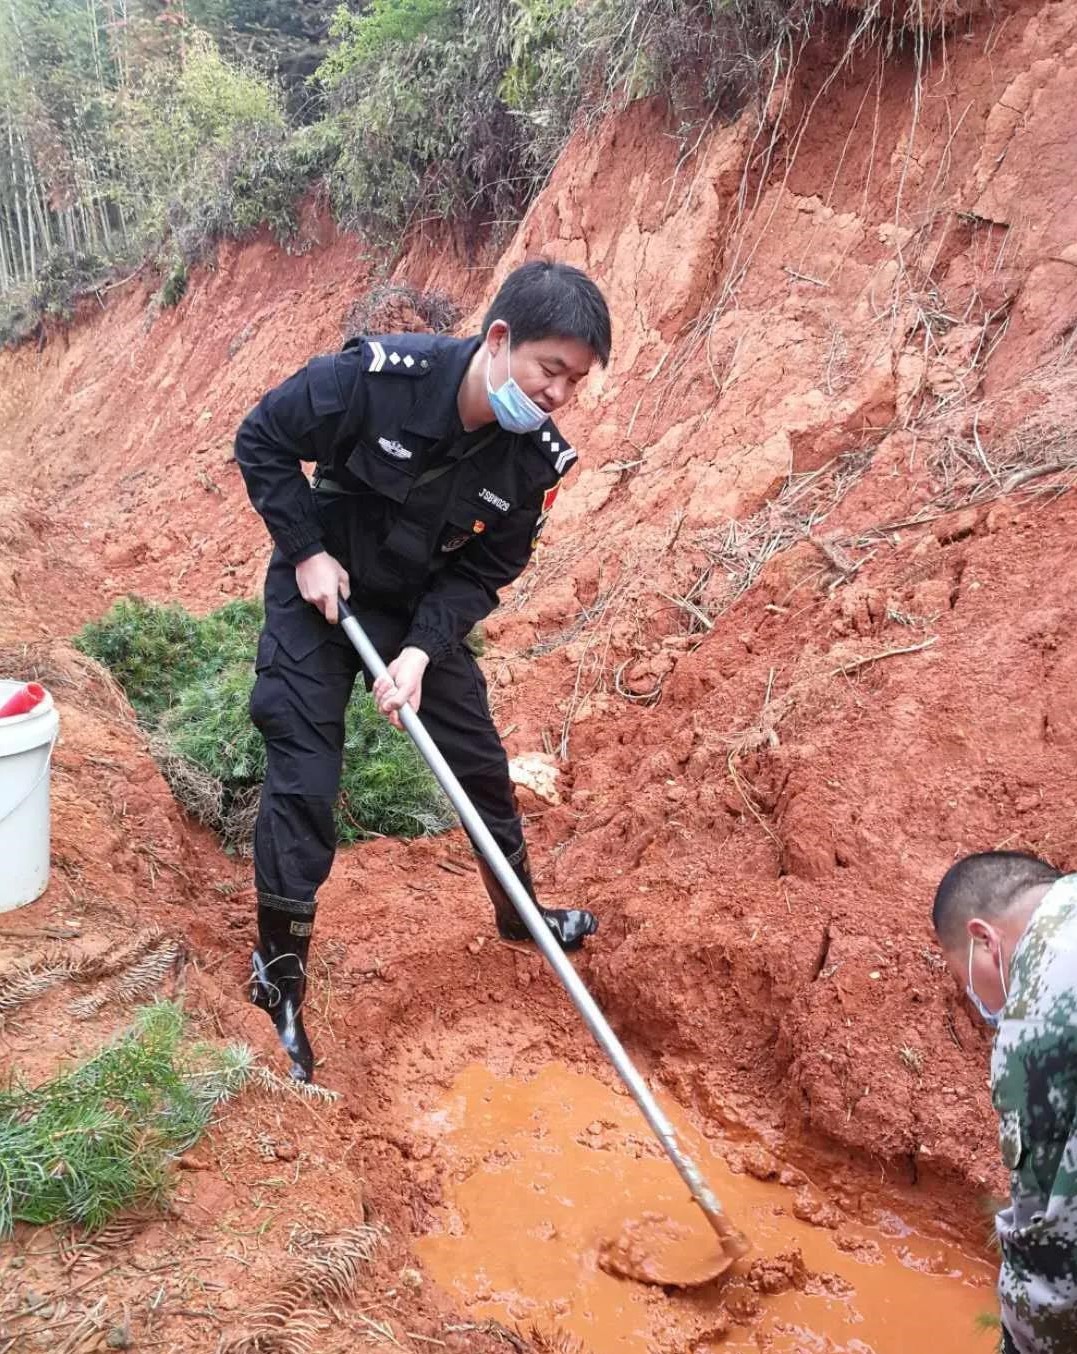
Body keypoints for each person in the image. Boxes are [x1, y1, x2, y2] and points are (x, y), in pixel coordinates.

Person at [234, 259, 612, 1081]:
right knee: (304, 773)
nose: (558, 395)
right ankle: (279, 972)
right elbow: (261, 437)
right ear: (500, 340)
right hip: (321, 591)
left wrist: (416, 652)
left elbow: (480, 573)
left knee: (477, 763)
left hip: (412, 612)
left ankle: (522, 918)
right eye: (550, 370)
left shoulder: (533, 464)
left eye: (575, 383)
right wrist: (304, 551)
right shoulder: (377, 380)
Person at [931, 850, 1077, 1354]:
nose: (985, 1006)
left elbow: (1053, 1244)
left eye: (965, 982)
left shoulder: (1038, 1016)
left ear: (985, 940)